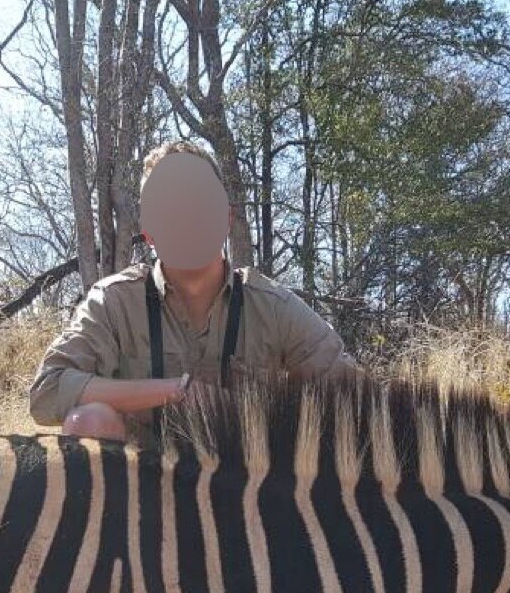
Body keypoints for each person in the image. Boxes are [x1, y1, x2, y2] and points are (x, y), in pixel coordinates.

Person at [29, 139, 361, 445]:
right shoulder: (113, 301)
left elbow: (358, 397)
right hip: (138, 486)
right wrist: (175, 392)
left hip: (244, 485)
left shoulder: (273, 305)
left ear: (226, 217)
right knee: (88, 421)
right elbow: (47, 392)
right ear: (149, 232)